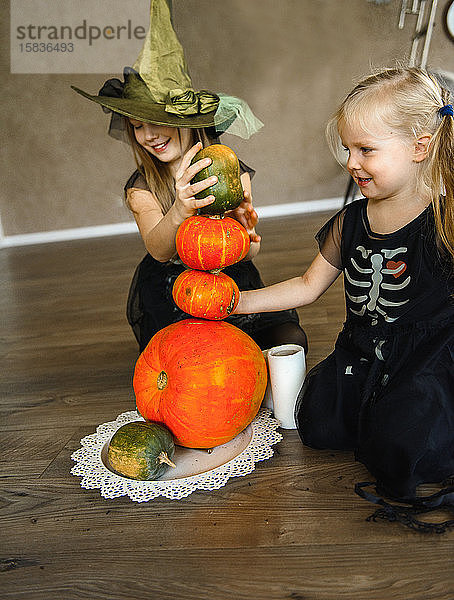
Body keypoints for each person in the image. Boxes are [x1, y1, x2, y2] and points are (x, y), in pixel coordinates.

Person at [235, 66, 454, 532]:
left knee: (405, 444)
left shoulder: (445, 214)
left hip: (428, 352)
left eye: (366, 150)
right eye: (348, 149)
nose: (351, 163)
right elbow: (308, 286)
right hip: (363, 347)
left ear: (421, 147)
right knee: (318, 425)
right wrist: (239, 301)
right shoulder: (350, 221)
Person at [72, 0, 307, 354]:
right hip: (173, 288)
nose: (149, 134)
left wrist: (245, 232)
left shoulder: (228, 167)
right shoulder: (142, 188)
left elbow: (250, 252)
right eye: (137, 125)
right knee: (198, 357)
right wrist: (181, 208)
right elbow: (159, 249)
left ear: (185, 117)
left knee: (289, 341)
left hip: (230, 282)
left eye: (158, 120)